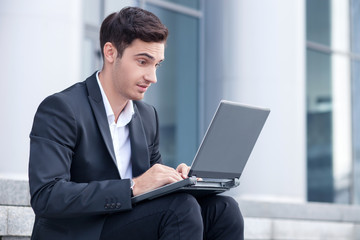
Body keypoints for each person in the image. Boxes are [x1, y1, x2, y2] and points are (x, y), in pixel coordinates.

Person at [29, 6, 244, 240]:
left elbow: (155, 188)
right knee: (180, 209)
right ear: (110, 53)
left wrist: (178, 180)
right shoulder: (62, 108)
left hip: (128, 224)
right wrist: (133, 186)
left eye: (157, 65)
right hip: (81, 231)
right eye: (143, 62)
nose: (153, 77)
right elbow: (46, 195)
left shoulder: (147, 116)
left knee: (224, 209)